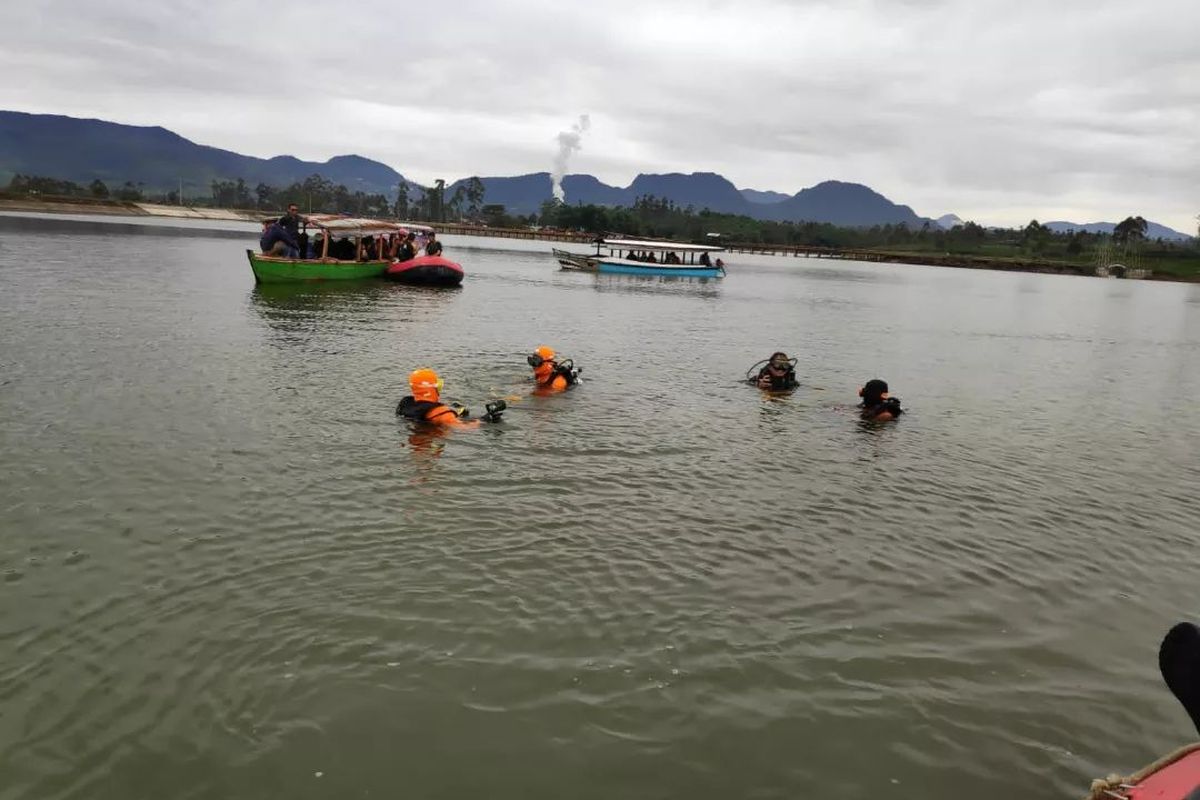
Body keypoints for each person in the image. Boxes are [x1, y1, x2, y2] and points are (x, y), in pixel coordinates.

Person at [396, 368, 505, 426]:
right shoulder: (441, 412)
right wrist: (485, 420)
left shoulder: (405, 404)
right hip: (432, 441)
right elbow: (463, 428)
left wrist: (458, 415)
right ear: (432, 388)